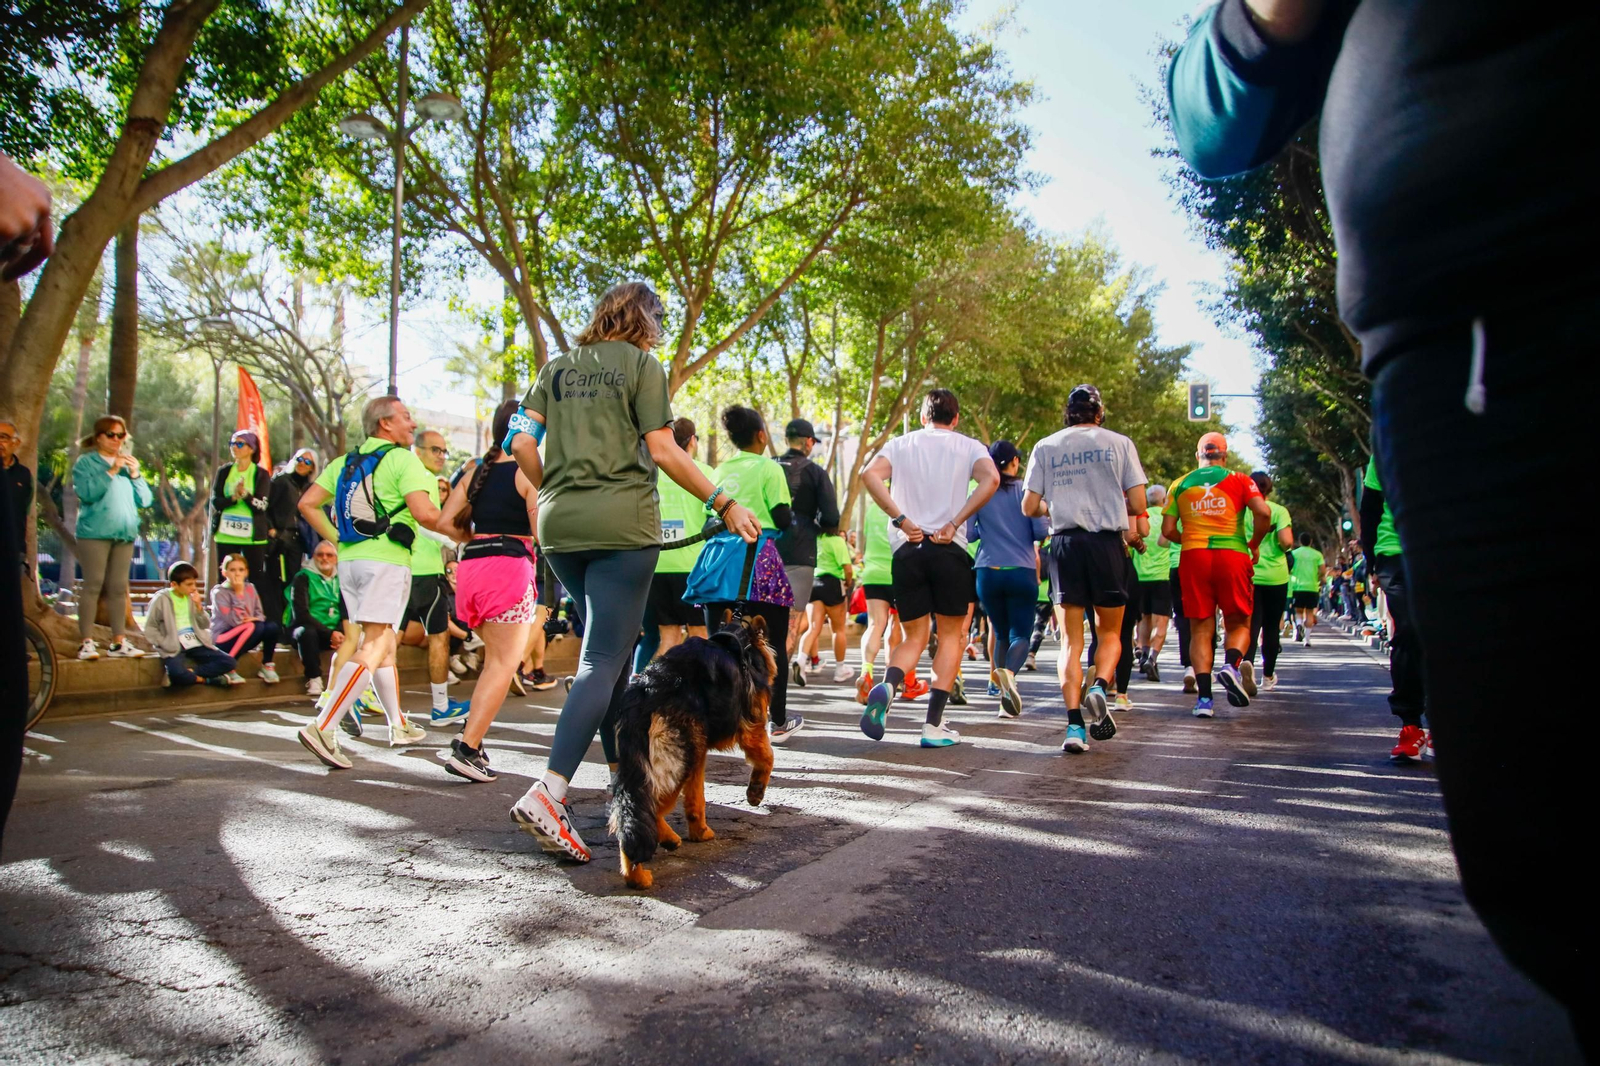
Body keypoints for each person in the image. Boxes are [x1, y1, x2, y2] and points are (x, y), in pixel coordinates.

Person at [1170, 7, 1597, 1041]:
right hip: (1472, 350)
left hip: (1485, 332)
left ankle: (1216, 671)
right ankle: (1238, 667)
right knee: (1542, 843)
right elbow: (1215, 115)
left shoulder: (1186, 488)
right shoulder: (1225, 488)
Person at [504, 282, 760, 863]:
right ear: (647, 320)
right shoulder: (643, 366)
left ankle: (628, 795)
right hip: (622, 527)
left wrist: (554, 487)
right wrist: (723, 503)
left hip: (560, 528)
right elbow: (665, 450)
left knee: (613, 665)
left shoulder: (558, 367)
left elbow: (519, 441)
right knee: (601, 661)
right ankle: (551, 790)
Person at [294, 395, 443, 767]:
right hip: (386, 563)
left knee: (382, 641)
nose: (412, 424)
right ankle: (324, 726)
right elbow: (425, 514)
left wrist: (338, 539)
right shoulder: (401, 459)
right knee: (376, 642)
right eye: (406, 417)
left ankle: (398, 724)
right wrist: (466, 535)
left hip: (352, 563)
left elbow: (307, 504)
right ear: (385, 424)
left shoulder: (344, 462)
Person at [858, 388, 999, 749]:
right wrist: (956, 521)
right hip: (948, 548)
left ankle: (888, 686)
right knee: (951, 637)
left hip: (908, 548)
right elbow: (992, 479)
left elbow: (868, 475)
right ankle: (932, 726)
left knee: (913, 638)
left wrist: (901, 519)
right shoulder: (969, 446)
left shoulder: (901, 444)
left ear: (923, 417)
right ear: (955, 419)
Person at [1021, 385, 1148, 754]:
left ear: (1068, 412)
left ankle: (1074, 727)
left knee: (1071, 643)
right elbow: (1139, 502)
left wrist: (1056, 505)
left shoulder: (1046, 445)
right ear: (1099, 412)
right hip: (1107, 545)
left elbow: (1029, 506)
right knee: (1110, 633)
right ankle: (1099, 686)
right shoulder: (1119, 443)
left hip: (1063, 546)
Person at [437, 400, 541, 783]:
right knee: (503, 663)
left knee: (495, 661)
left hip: (471, 570)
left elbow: (445, 521)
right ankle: (467, 748)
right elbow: (540, 530)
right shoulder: (526, 472)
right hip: (507, 570)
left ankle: (472, 742)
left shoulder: (476, 471)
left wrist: (481, 538)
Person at [703, 406, 800, 737]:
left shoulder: (717, 472)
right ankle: (779, 721)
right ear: (761, 435)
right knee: (772, 644)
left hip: (716, 562)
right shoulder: (770, 469)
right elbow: (783, 517)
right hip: (760, 560)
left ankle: (718, 722)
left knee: (718, 644)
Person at [1162, 432, 1272, 718]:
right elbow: (1263, 513)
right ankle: (1231, 665)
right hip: (1232, 555)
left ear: (1198, 455)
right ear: (1224, 455)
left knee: (1200, 628)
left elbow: (1167, 531)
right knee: (1239, 622)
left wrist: (1189, 539)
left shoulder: (1180, 484)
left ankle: (1204, 701)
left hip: (1193, 557)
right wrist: (1254, 544)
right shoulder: (1239, 479)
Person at [967, 440, 1047, 719]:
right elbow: (1040, 531)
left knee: (999, 633)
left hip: (987, 571)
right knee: (1021, 634)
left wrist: (987, 530)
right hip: (1021, 570)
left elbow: (967, 533)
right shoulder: (1027, 491)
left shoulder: (982, 491)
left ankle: (1004, 700)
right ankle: (1010, 675)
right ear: (1014, 461)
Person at [1358, 459, 1428, 762]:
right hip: (1394, 552)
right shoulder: (1389, 438)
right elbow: (1370, 507)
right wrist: (1370, 561)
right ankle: (1410, 725)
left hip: (1449, 547)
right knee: (1409, 630)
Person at [71, 415, 151, 661]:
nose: (116, 440)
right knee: (93, 584)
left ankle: (119, 641)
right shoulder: (86, 463)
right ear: (98, 438)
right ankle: (86, 642)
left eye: (120, 435)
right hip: (95, 533)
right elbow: (87, 493)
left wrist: (135, 475)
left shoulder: (129, 467)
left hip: (124, 535)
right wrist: (112, 470)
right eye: (111, 435)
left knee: (118, 589)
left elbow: (145, 500)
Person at [402, 429, 469, 724]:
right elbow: (423, 520)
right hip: (423, 571)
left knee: (387, 637)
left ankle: (361, 693)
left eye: (444, 451)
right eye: (435, 450)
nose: (441, 456)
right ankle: (440, 706)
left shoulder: (412, 474)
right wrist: (454, 540)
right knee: (439, 636)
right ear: (418, 451)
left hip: (405, 568)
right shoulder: (419, 477)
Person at [775, 418, 840, 686]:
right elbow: (832, 518)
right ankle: (774, 694)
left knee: (763, 621)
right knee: (790, 622)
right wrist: (818, 526)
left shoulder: (769, 465)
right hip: (800, 553)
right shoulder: (815, 472)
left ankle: (754, 687)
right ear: (809, 442)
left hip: (764, 551)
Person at [646, 417, 714, 660]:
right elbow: (718, 518)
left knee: (669, 638)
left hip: (657, 565)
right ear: (693, 441)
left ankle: (653, 693)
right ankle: (698, 695)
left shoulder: (650, 474)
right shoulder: (704, 473)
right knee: (699, 635)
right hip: (692, 568)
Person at [144, 562, 237, 688]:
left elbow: (205, 624)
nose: (193, 588)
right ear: (174, 585)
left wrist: (199, 608)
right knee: (177, 673)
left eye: (194, 583)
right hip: (173, 643)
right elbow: (150, 627)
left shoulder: (190, 598)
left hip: (195, 641)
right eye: (189, 584)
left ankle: (188, 674)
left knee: (229, 662)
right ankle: (207, 680)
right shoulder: (161, 599)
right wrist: (163, 642)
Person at [1243, 471, 1294, 694]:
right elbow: (1287, 541)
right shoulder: (1279, 511)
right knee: (1271, 626)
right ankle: (1268, 675)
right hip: (1276, 577)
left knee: (1250, 625)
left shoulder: (1242, 511)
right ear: (1269, 488)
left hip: (1248, 573)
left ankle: (1247, 667)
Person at [856, 499, 905, 703]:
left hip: (873, 573)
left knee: (875, 624)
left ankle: (866, 671)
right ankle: (896, 678)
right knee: (900, 627)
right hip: (899, 571)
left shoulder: (873, 509)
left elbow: (865, 538)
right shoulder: (905, 506)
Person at [210, 430, 272, 585]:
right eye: (232, 444)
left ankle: (252, 609)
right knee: (225, 579)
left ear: (251, 448)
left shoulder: (260, 474)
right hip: (226, 534)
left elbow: (262, 505)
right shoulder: (224, 471)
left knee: (256, 580)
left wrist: (245, 495)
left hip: (252, 538)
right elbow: (215, 502)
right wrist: (233, 498)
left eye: (239, 444)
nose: (234, 447)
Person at [264, 448, 317, 626]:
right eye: (300, 459)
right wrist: (272, 530)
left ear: (313, 468)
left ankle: (290, 624)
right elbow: (266, 507)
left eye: (308, 462)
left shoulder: (311, 488)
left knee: (294, 583)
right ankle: (276, 625)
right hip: (279, 539)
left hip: (299, 541)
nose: (303, 463)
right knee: (277, 583)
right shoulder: (281, 482)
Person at [210, 554, 280, 684]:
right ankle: (228, 666)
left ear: (246, 572)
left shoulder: (250, 588)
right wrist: (238, 593)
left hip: (249, 632)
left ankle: (267, 665)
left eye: (241, 570)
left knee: (272, 627)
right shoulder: (219, 592)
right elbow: (234, 621)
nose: (237, 574)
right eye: (232, 570)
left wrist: (254, 618)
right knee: (255, 626)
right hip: (224, 637)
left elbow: (260, 614)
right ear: (224, 572)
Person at [289, 540, 345, 696]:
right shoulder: (303, 577)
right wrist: (329, 633)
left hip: (333, 632)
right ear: (313, 557)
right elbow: (301, 614)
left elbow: (346, 609)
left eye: (329, 555)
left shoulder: (342, 578)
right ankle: (314, 678)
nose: (324, 558)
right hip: (310, 630)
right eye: (320, 555)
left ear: (336, 558)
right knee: (307, 632)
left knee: (355, 632)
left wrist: (339, 631)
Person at [801, 529, 855, 683]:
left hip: (814, 583)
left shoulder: (813, 539)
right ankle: (839, 670)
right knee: (838, 629)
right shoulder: (837, 540)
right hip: (832, 584)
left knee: (813, 628)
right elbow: (848, 569)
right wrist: (848, 582)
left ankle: (801, 660)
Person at [1132, 483, 1172, 682]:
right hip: (1162, 576)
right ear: (1164, 499)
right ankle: (1152, 657)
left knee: (1144, 619)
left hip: (1140, 576)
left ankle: (1142, 651)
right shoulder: (1168, 517)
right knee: (1161, 621)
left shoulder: (1141, 515)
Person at [0, 420, 32, 560]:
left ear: (16, 443)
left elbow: (26, 508)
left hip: (13, 549)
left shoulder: (24, 475)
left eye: (3, 437)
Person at [1289, 534, 1324, 645]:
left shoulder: (1294, 554)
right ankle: (1307, 639)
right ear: (1311, 541)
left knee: (1298, 611)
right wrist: (1318, 578)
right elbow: (1322, 570)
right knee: (1309, 612)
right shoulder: (1317, 554)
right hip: (1312, 587)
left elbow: (1288, 568)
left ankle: (1299, 624)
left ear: (1299, 542)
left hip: (1297, 586)